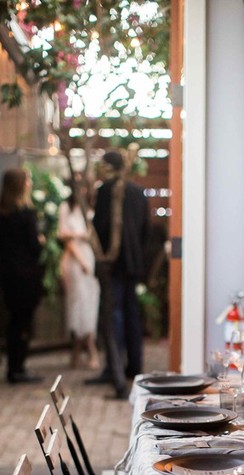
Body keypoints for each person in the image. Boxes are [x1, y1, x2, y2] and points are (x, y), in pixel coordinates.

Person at [86, 149, 150, 399]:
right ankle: (133, 366)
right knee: (130, 312)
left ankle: (116, 372)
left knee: (114, 315)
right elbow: (146, 229)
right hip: (132, 262)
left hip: (112, 263)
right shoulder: (137, 192)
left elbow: (100, 227)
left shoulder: (106, 192)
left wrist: (103, 257)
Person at [0, 168, 45, 384]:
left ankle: (14, 367)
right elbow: (34, 247)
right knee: (23, 322)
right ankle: (18, 368)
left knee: (13, 321)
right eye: (27, 180)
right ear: (21, 185)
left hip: (8, 274)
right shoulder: (26, 214)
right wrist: (40, 241)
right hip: (27, 276)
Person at [57, 181, 100, 370]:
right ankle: (88, 350)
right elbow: (64, 236)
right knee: (77, 304)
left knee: (90, 304)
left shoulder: (91, 208)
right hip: (75, 260)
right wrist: (81, 259)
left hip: (90, 258)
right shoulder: (66, 208)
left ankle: (80, 351)